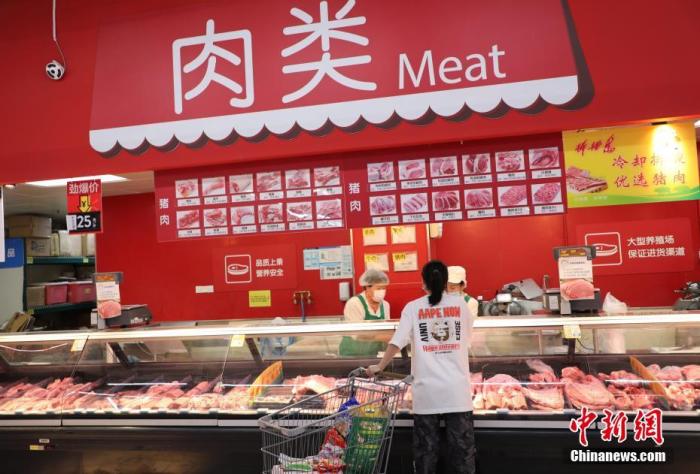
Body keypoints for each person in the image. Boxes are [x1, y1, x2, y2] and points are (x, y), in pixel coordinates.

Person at [367, 260, 476, 474]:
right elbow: (467, 337)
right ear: (446, 281)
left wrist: (379, 366)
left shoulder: (413, 307)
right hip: (457, 391)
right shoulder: (461, 305)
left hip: (427, 393)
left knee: (426, 456)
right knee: (463, 457)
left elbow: (397, 341)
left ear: (423, 282)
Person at [339, 269, 391, 357]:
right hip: (352, 354)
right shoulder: (355, 303)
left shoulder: (385, 305)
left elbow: (386, 329)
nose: (382, 291)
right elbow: (357, 334)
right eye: (378, 288)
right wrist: (383, 337)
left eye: (384, 288)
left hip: (374, 353)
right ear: (367, 287)